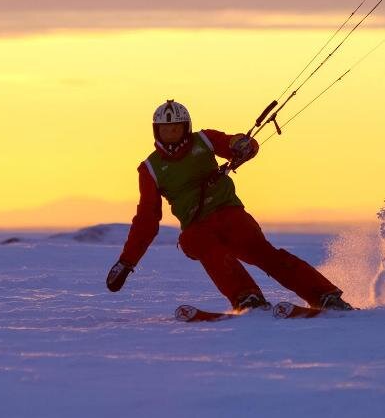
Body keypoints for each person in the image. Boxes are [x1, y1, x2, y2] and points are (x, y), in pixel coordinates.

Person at [106, 99, 353, 312]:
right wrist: (126, 262)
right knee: (195, 242)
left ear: (186, 128)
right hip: (198, 228)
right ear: (156, 132)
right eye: (165, 130)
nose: (171, 135)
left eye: (176, 129)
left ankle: (324, 295)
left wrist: (243, 146)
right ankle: (247, 298)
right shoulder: (150, 169)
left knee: (263, 253)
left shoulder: (204, 140)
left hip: (230, 215)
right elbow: (146, 221)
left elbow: (234, 142)